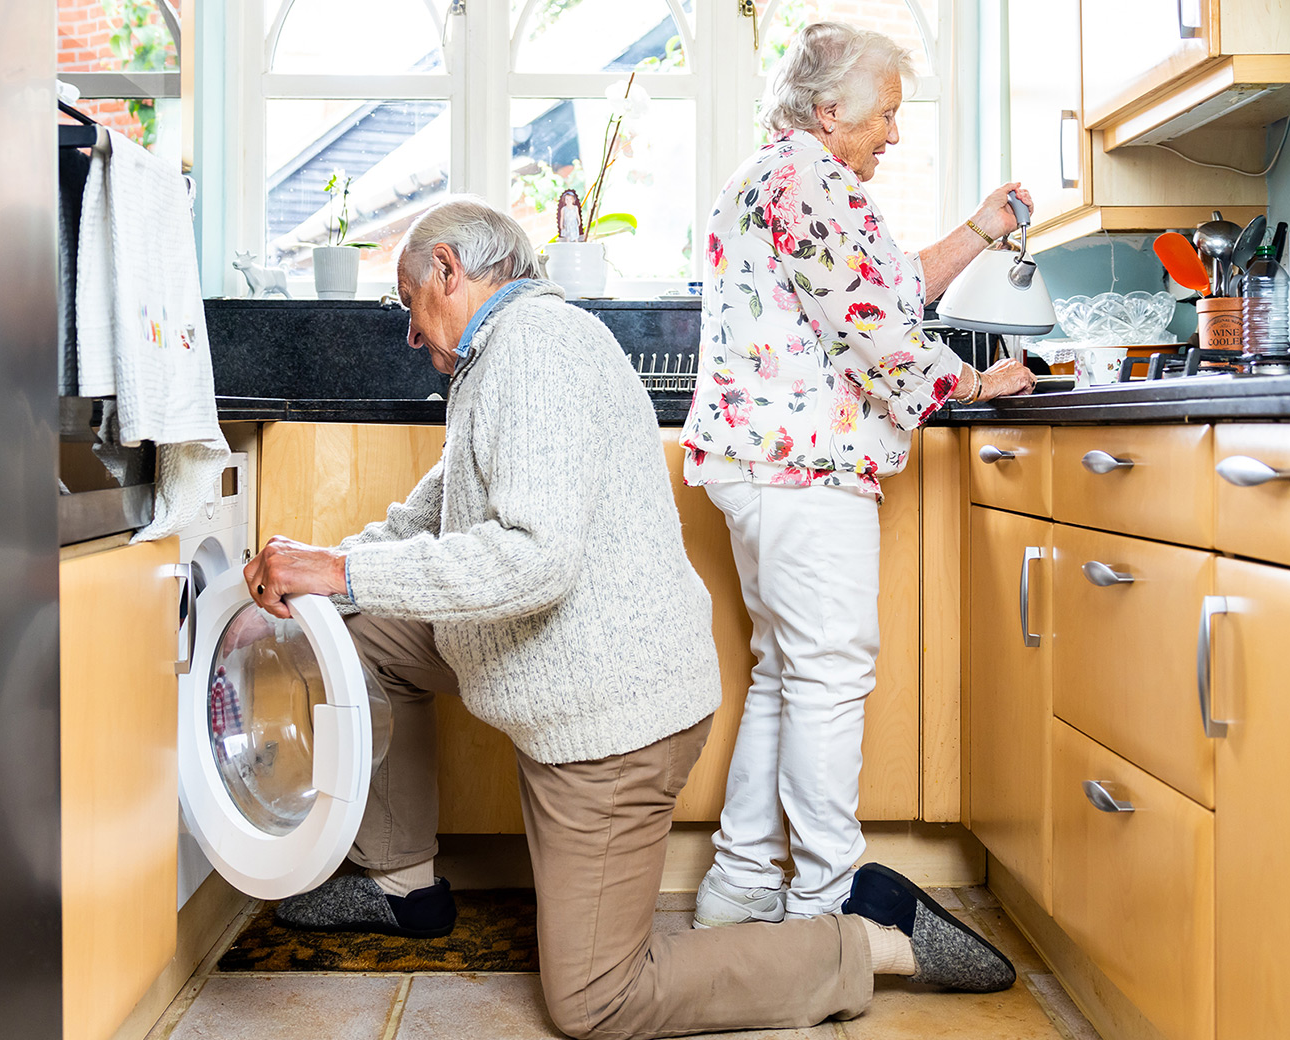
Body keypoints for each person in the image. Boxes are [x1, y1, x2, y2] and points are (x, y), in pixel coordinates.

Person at [240, 197, 1016, 1040]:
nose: (409, 333)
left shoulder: (535, 353)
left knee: (597, 1000)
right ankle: (402, 886)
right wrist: (330, 574)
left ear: (447, 271)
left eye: (406, 305)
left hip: (608, 716)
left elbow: (532, 560)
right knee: (363, 635)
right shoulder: (501, 353)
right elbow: (435, 509)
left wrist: (343, 569)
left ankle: (873, 940)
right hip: (549, 665)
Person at [681, 22, 1036, 930]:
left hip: (759, 463)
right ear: (829, 109)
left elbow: (882, 287)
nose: (894, 131)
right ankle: (825, 904)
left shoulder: (771, 178)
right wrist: (971, 379)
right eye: (885, 113)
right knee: (829, 677)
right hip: (803, 466)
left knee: (785, 674)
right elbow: (876, 328)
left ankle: (739, 885)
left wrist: (980, 233)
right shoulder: (812, 184)